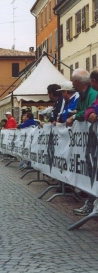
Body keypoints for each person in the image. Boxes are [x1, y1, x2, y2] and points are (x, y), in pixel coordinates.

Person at [72, 67, 98, 216]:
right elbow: (90, 109)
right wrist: (90, 113)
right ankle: (90, 203)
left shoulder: (92, 92)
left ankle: (90, 204)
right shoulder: (87, 95)